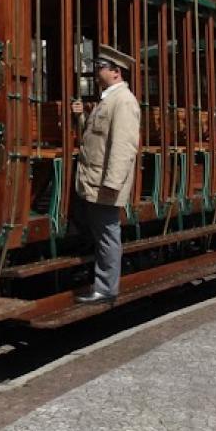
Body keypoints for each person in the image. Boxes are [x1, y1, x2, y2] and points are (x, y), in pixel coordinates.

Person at [69, 44, 140, 305]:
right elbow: (95, 136)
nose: (96, 71)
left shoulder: (123, 101)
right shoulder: (109, 99)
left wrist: (112, 183)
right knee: (100, 232)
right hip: (93, 181)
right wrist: (80, 118)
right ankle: (102, 283)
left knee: (108, 234)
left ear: (116, 71)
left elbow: (123, 146)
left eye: (100, 67)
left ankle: (106, 288)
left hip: (103, 183)